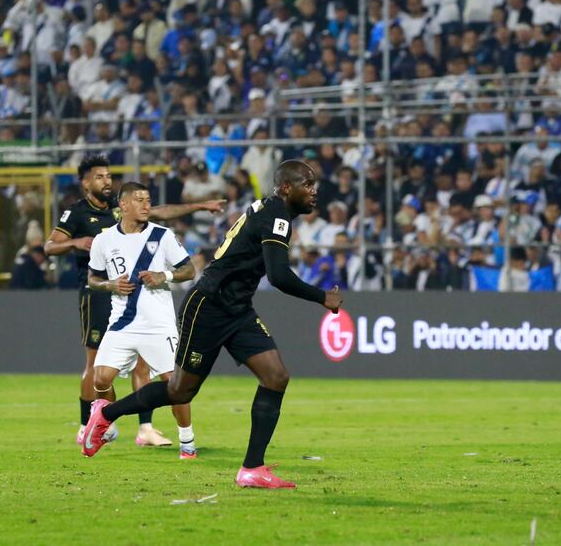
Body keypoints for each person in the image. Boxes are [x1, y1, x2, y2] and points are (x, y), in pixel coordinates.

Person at [81, 160, 343, 490]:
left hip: (237, 309)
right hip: (208, 304)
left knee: (276, 377)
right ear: (286, 188)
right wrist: (322, 297)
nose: (314, 190)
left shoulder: (271, 210)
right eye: (307, 183)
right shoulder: (276, 216)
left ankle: (252, 469)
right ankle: (106, 415)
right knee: (179, 390)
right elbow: (278, 276)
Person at [44, 156, 224, 447]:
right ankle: (87, 424)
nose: (106, 180)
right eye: (99, 176)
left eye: (108, 175)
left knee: (144, 366)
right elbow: (49, 246)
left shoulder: (122, 211)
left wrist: (199, 206)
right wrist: (75, 243)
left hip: (139, 300)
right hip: (98, 295)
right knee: (96, 366)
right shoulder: (76, 213)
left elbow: (160, 213)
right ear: (85, 182)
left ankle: (145, 428)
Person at [87, 182, 198, 459]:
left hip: (158, 325)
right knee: (100, 378)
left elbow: (189, 269)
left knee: (175, 385)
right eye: (139, 200)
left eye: (148, 199)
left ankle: (187, 440)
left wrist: (166, 276)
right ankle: (106, 423)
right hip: (122, 323)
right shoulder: (104, 240)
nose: (146, 205)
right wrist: (111, 285)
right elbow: (92, 279)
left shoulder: (163, 235)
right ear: (123, 205)